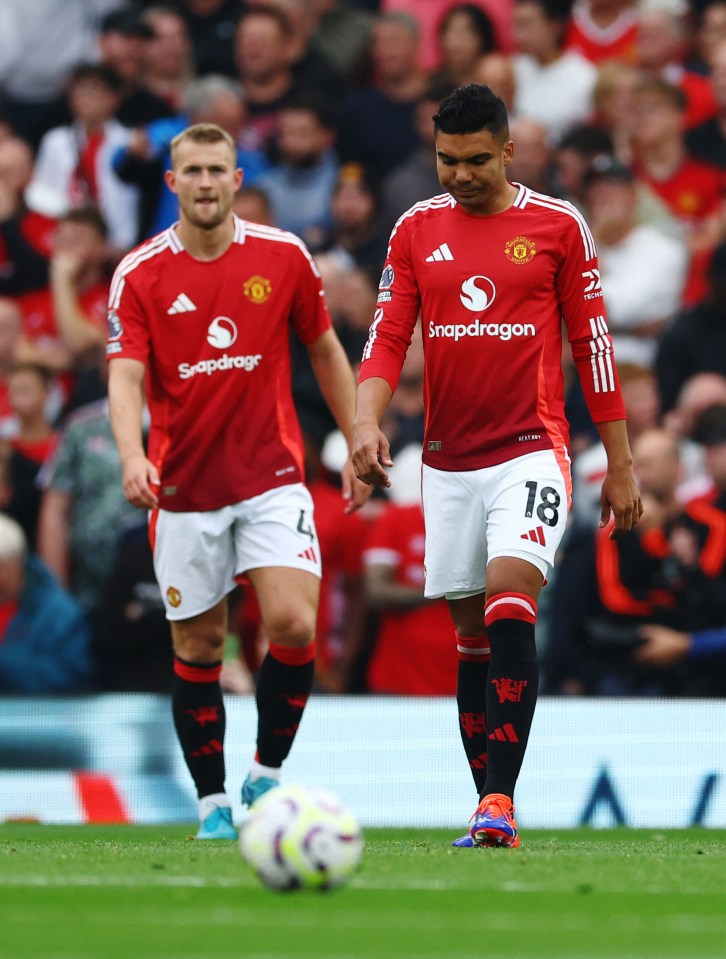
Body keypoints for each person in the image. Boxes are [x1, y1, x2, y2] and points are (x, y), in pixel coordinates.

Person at [352, 83, 641, 849]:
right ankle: (487, 799)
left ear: (508, 149)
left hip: (531, 450)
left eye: (476, 159)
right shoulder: (415, 230)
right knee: (470, 639)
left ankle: (498, 804)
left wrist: (619, 461)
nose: (460, 175)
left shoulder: (557, 226)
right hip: (448, 462)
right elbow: (385, 339)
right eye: (447, 160)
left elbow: (595, 346)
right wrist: (362, 422)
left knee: (510, 599)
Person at [106, 122, 370, 841]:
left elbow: (323, 345)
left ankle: (268, 768)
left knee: (292, 623)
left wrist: (357, 438)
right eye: (190, 171)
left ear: (236, 179)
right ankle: (212, 803)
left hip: (272, 475)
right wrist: (132, 454)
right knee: (198, 645)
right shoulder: (140, 273)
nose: (204, 183)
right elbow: (124, 375)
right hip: (184, 488)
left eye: (216, 170)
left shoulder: (284, 256)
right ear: (172, 183)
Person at [0, 511, 93, 693]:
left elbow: (71, 677)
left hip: (34, 716)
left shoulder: (59, 614)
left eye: (2, 568)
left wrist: (4, 664)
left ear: (18, 563)